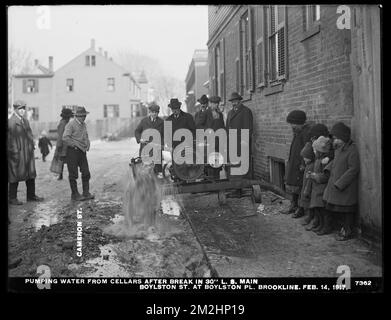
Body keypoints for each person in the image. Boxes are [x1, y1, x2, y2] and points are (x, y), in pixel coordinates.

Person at [323, 122, 360, 241]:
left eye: (337, 138)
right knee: (336, 208)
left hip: (346, 187)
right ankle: (340, 228)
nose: (335, 141)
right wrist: (327, 168)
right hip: (335, 184)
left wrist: (340, 183)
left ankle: (348, 231)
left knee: (347, 211)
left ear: (343, 137)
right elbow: (335, 162)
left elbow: (353, 169)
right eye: (334, 138)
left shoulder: (352, 149)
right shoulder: (339, 149)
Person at [8, 100, 44, 205]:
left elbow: (29, 134)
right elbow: (9, 140)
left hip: (27, 152)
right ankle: (12, 198)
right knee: (14, 175)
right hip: (16, 153)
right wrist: (14, 152)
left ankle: (31, 196)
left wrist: (32, 144)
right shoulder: (11, 122)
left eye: (24, 108)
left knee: (30, 174)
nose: (22, 111)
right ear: (15, 109)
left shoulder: (25, 121)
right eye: (20, 109)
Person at [282, 110, 312, 215]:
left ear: (299, 122)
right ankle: (293, 205)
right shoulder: (297, 132)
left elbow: (307, 150)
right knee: (293, 185)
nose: (292, 126)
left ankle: (300, 208)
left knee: (300, 186)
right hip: (294, 162)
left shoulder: (306, 132)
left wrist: (303, 164)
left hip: (300, 165)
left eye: (293, 123)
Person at [299, 123, 330, 223]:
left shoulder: (325, 145)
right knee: (310, 195)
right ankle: (312, 217)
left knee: (318, 201)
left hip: (319, 176)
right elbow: (306, 153)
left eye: (314, 137)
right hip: (313, 171)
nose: (312, 139)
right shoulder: (313, 144)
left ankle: (317, 220)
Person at [62, 106, 94, 201]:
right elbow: (65, 137)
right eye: (81, 115)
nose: (84, 117)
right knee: (73, 174)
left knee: (86, 172)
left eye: (84, 115)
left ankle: (86, 193)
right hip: (72, 152)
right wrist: (74, 145)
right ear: (77, 116)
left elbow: (86, 135)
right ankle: (75, 194)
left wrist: (88, 143)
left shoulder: (83, 125)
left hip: (82, 152)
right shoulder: (70, 125)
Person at [226, 92, 253, 196]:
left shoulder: (246, 111)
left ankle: (240, 189)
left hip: (241, 143)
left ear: (240, 101)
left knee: (240, 165)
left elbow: (248, 128)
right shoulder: (229, 113)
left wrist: (244, 141)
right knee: (233, 165)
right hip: (232, 143)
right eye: (232, 101)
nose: (234, 103)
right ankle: (235, 187)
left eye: (235, 101)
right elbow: (227, 128)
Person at [307, 136, 333, 235]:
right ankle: (321, 225)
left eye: (315, 150)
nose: (314, 152)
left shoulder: (325, 161)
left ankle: (326, 227)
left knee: (323, 210)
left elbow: (326, 176)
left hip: (322, 189)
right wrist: (312, 174)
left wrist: (314, 176)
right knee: (318, 209)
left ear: (321, 151)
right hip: (317, 189)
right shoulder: (318, 160)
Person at [135, 103, 164, 175]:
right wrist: (139, 139)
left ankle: (158, 179)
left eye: (156, 112)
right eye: (152, 112)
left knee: (158, 167)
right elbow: (137, 131)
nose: (154, 114)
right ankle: (145, 181)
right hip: (145, 147)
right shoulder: (144, 121)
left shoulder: (161, 122)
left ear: (158, 113)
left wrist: (161, 144)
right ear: (150, 112)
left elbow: (164, 135)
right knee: (145, 167)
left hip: (156, 147)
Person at [205, 96, 226, 178]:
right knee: (209, 161)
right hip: (209, 141)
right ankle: (210, 180)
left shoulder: (220, 114)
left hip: (219, 142)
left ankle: (217, 181)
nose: (216, 105)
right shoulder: (206, 113)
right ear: (210, 104)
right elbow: (199, 125)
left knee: (218, 161)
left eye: (217, 103)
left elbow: (222, 126)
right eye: (214, 103)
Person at [54, 108, 74, 180]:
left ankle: (70, 175)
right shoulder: (63, 123)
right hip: (63, 146)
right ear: (66, 117)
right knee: (61, 161)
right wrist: (59, 145)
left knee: (69, 161)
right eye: (68, 117)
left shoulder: (67, 123)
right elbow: (60, 135)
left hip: (68, 145)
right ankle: (60, 175)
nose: (69, 118)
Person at [298, 142, 315, 227]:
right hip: (305, 187)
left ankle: (310, 217)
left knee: (309, 204)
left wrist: (307, 190)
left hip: (308, 189)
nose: (304, 159)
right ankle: (308, 217)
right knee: (306, 203)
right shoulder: (308, 165)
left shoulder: (311, 166)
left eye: (306, 158)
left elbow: (309, 180)